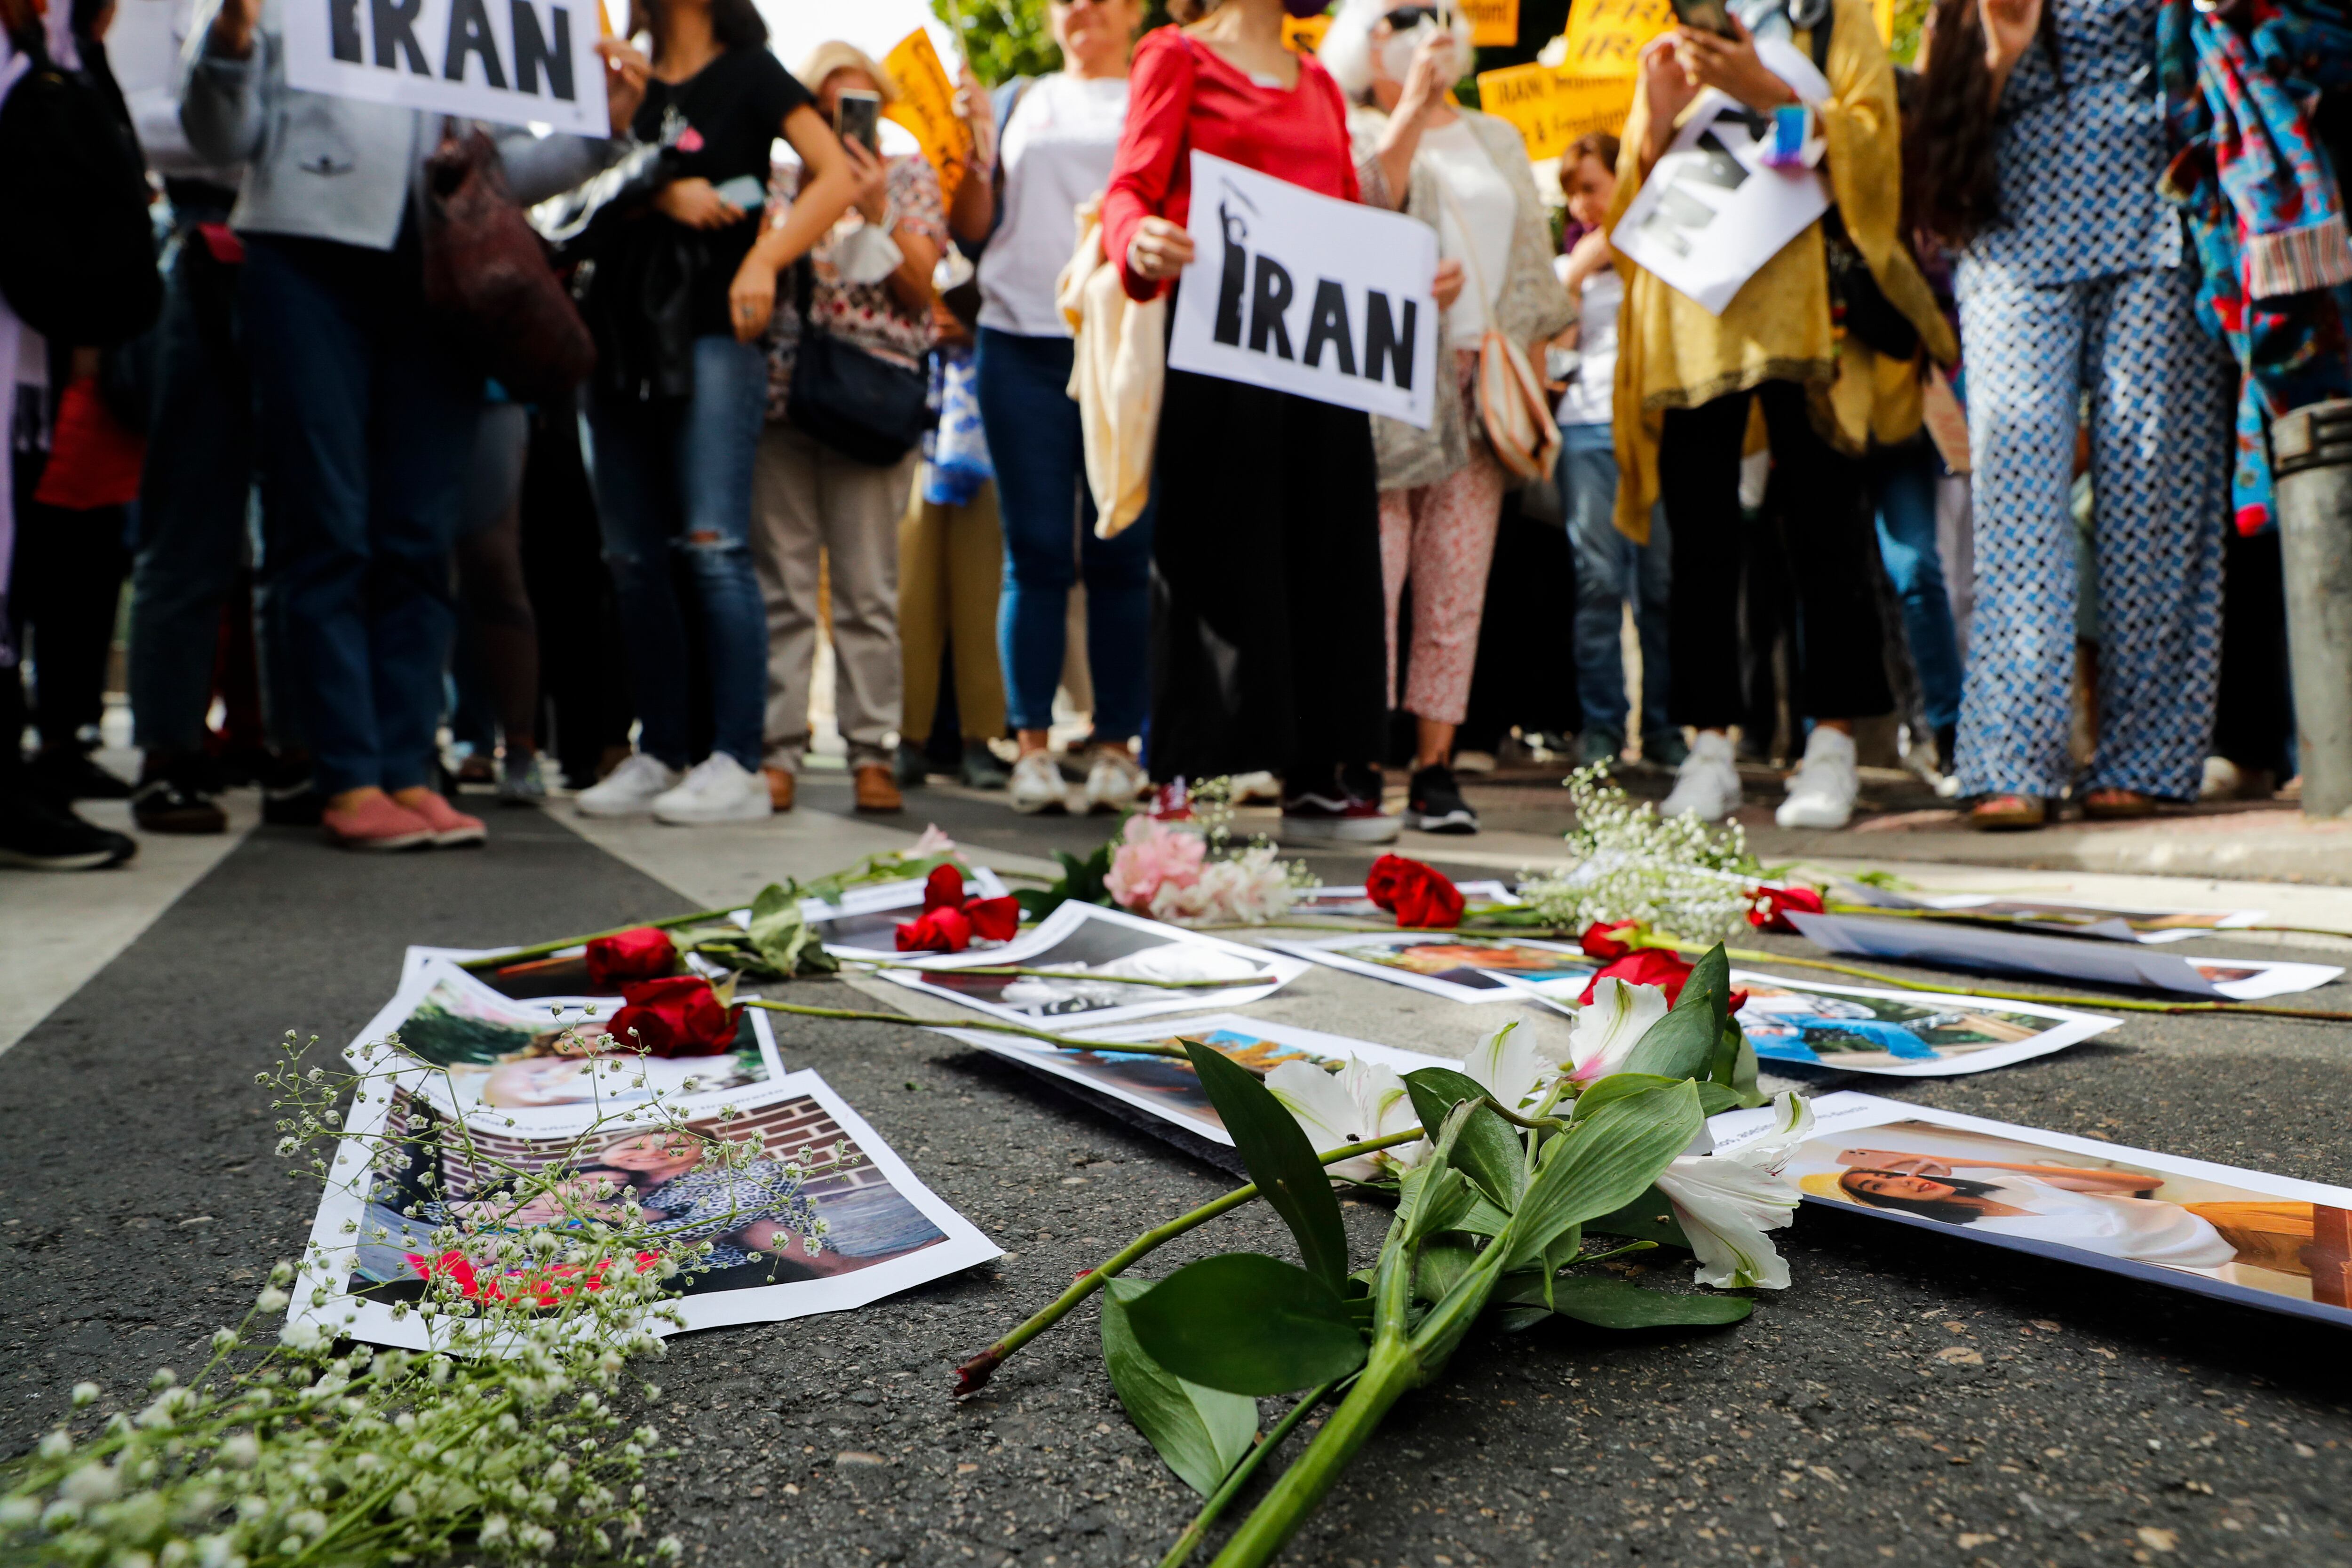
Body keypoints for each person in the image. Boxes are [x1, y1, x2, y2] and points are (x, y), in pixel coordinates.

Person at [180, 0, 646, 850]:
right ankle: (350, 775)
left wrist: (602, 134)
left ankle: (404, 766)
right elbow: (220, 139)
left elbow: (505, 176)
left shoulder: (481, 17)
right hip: (305, 267)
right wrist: (229, 43)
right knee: (324, 523)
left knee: (419, 533)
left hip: (443, 281)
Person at [1104, 0, 1463, 842]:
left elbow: (1343, 219)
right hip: (1217, 340)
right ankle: (1181, 779)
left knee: (1328, 547)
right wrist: (1139, 239)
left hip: (1319, 357)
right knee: (1205, 550)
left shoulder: (1317, 83)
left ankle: (1318, 780)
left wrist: (1403, 278)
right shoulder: (1176, 56)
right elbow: (1128, 188)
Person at [1609, 0, 1955, 831]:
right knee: (1700, 543)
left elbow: (1874, 155)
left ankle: (1833, 743)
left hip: (1810, 323)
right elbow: (1633, 201)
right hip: (1693, 327)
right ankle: (1708, 747)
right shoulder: (1680, 36)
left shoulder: (1838, 23)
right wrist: (1657, 112)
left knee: (1826, 532)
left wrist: (1766, 89)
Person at [1911, 0, 2233, 830]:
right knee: (2019, 496)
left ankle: (2148, 757)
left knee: (2155, 489)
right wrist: (2001, 54)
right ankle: (2011, 758)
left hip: (2160, 216)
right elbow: (1937, 128)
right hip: (2014, 228)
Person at [572, 0, 859, 827]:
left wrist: (765, 259)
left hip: (711, 332)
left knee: (713, 542)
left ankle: (737, 757)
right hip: (615, 333)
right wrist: (654, 179)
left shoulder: (751, 74)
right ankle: (659, 750)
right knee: (632, 555)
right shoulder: (618, 71)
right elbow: (565, 185)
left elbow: (834, 174)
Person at [1321, 0, 1576, 836]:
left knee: (1455, 585)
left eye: (1436, 8)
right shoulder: (1349, 123)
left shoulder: (1497, 137)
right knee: (1373, 577)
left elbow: (1534, 273)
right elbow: (1360, 208)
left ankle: (1433, 766)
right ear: (1365, 35)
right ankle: (1358, 753)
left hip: (1480, 381)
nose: (1426, 24)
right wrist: (1406, 110)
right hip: (1386, 384)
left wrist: (1531, 383)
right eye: (1400, 12)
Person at [953, 0, 1155, 816]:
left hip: (1125, 343)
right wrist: (970, 158)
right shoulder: (1018, 98)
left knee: (1123, 545)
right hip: (1019, 340)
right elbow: (974, 230)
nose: (1085, 9)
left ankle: (1116, 744)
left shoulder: (1157, 92)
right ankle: (1031, 747)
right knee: (1033, 549)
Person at [749, 41, 945, 819]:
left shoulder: (911, 177)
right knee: (785, 586)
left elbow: (922, 287)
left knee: (867, 589)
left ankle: (872, 752)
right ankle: (778, 750)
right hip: (786, 398)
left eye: (858, 105)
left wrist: (873, 208)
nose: (844, 121)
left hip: (871, 402)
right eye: (828, 107)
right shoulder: (780, 182)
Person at [1552, 132, 1677, 773]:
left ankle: (1664, 728)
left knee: (1659, 585)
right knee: (1598, 583)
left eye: (1593, 189)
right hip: (1587, 429)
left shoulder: (1660, 250)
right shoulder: (1565, 268)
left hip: (1653, 428)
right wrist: (1576, 275)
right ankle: (1602, 728)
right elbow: (1552, 358)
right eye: (1571, 193)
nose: (1581, 206)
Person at [897, 288, 1013, 792]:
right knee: (910, 593)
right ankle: (906, 737)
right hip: (909, 420)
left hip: (985, 426)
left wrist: (973, 324)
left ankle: (980, 739)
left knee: (982, 590)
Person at [449, 392, 545, 805]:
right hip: (402, 380)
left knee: (494, 560)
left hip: (491, 386)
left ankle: (521, 744)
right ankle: (416, 748)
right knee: (419, 564)